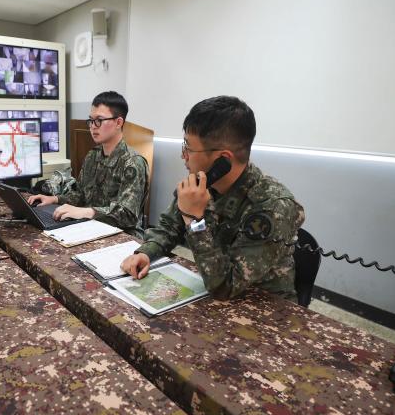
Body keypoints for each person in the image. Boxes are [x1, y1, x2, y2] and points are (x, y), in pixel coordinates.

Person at [121, 96, 305, 301]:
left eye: (189, 148)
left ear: (223, 159)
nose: (184, 156)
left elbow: (226, 286)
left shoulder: (273, 207)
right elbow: (168, 227)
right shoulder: (204, 183)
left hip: (264, 311)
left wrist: (194, 221)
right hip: (213, 294)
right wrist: (146, 253)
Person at [27, 91, 148, 237]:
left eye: (99, 120)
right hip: (91, 227)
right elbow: (81, 195)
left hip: (124, 235)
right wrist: (54, 199)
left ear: (118, 122)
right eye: (91, 120)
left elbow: (127, 215)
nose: (93, 126)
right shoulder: (93, 155)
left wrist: (86, 211)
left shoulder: (133, 163)